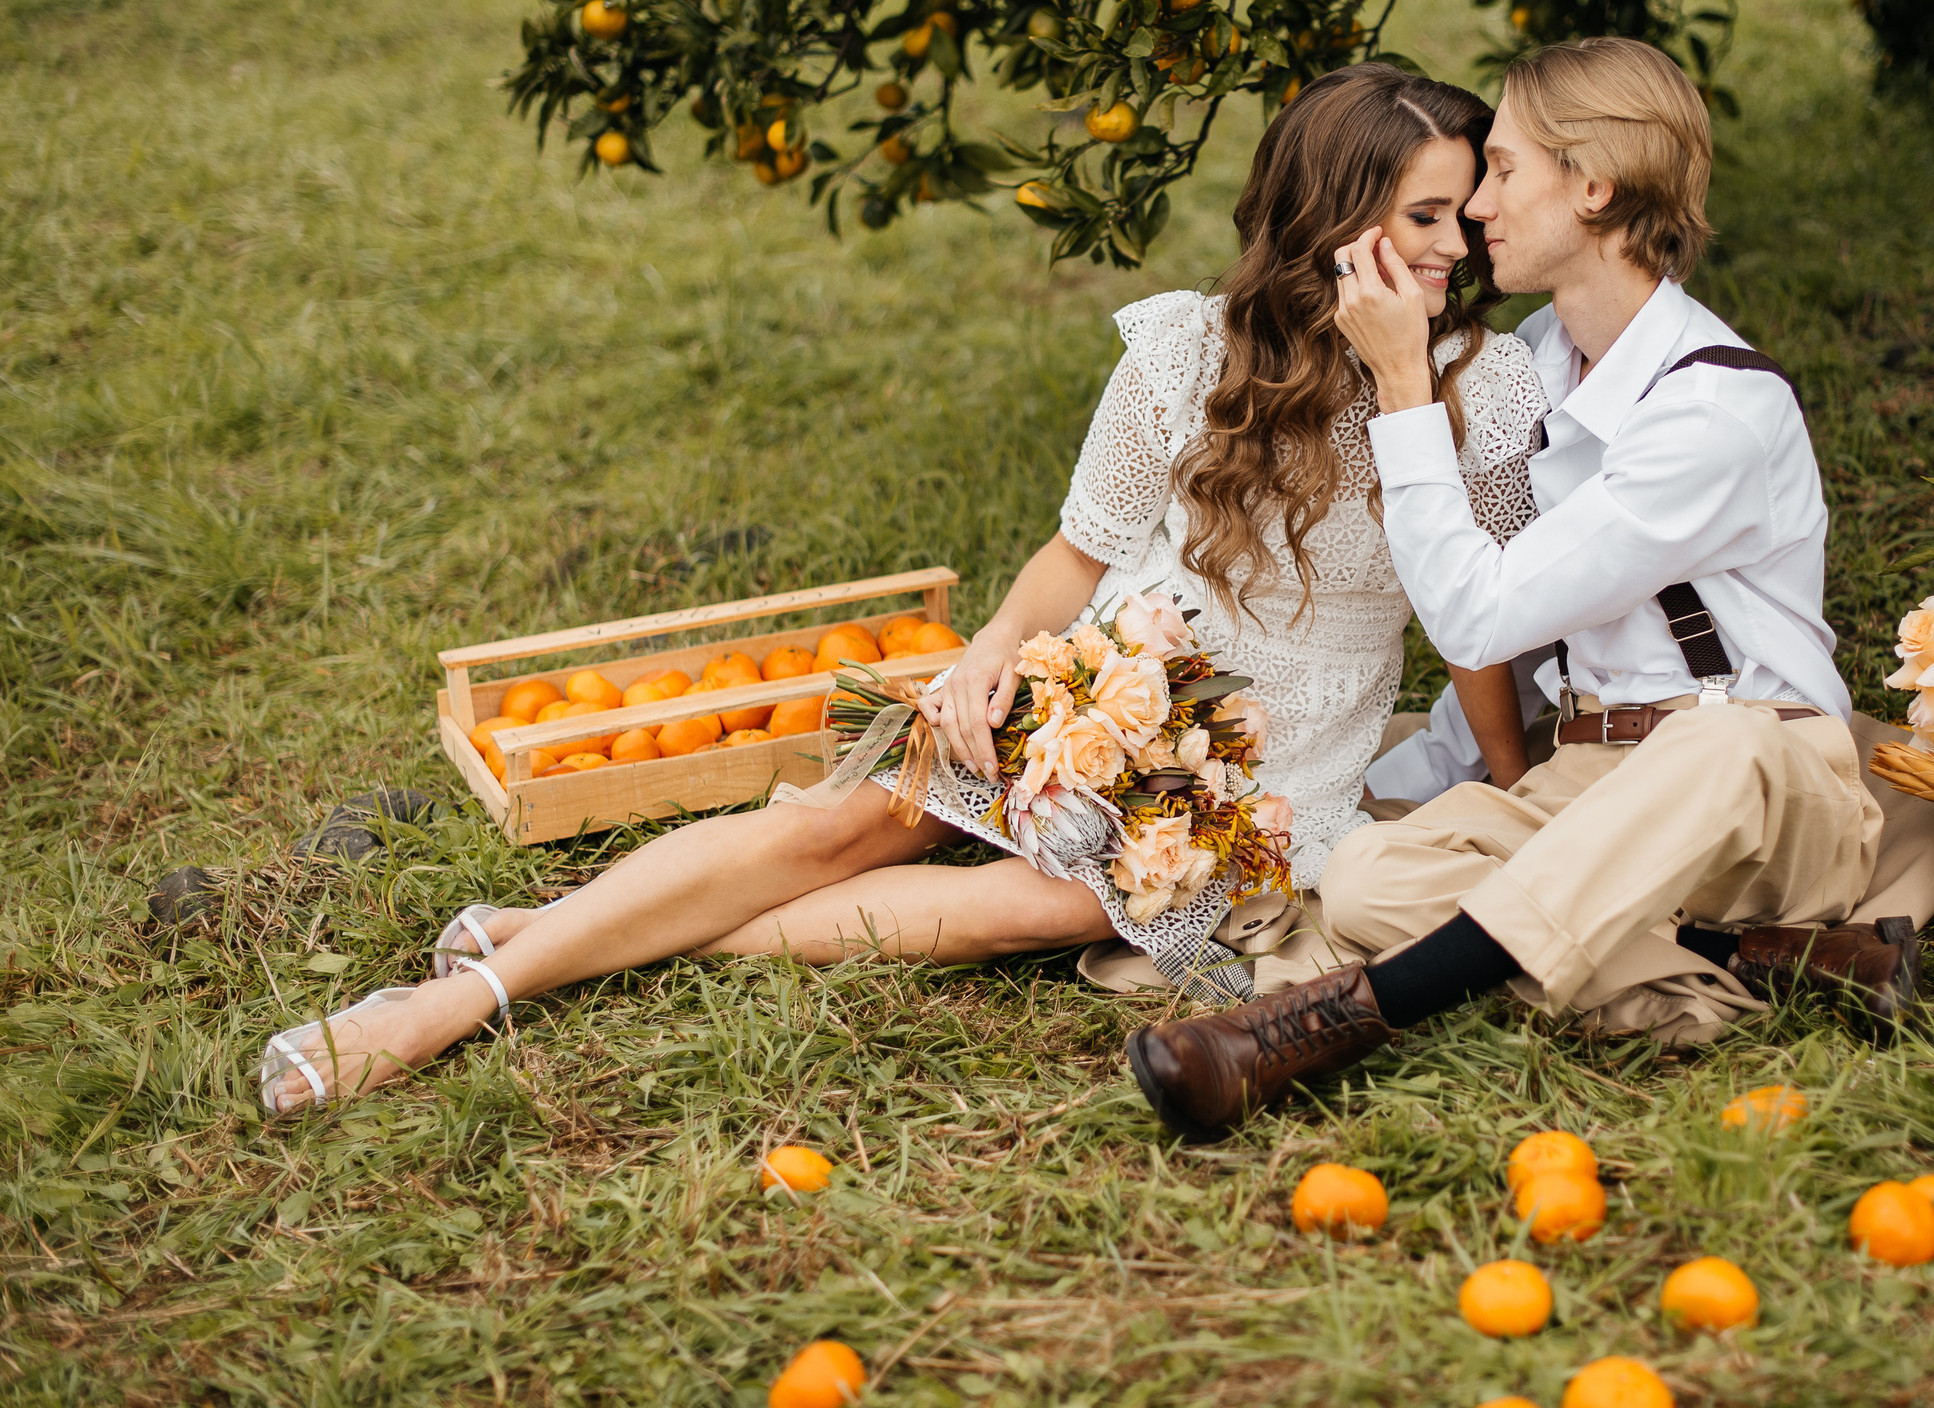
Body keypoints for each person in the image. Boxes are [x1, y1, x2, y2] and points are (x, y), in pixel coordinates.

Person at [256, 64, 1550, 1115]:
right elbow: (1075, 556)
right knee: (843, 827)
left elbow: (1470, 608)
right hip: (1123, 672)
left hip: (1277, 763)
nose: (1456, 242)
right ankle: (451, 1006)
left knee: (1038, 902)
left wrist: (1503, 764)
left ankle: (581, 928)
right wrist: (990, 648)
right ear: (1331, 212)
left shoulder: (1483, 386)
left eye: (1460, 210)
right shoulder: (1182, 350)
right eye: (1422, 215)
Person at [1124, 38, 1934, 1140]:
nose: (1476, 203)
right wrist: (1427, 767)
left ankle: (1335, 1019)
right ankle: (1761, 957)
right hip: (1589, 774)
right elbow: (1495, 629)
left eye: (1504, 169)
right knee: (1371, 876)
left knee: (1713, 741)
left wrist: (1402, 384)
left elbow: (1477, 610)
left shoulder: (1711, 411)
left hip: (1766, 785)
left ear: (1593, 188)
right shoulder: (1534, 358)